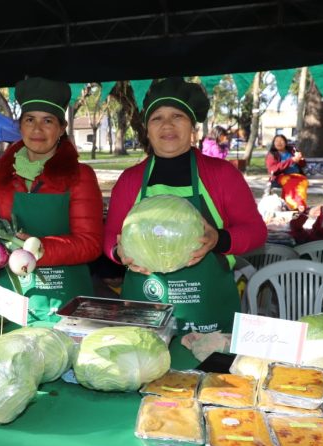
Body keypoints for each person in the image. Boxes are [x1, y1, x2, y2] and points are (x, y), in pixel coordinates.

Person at [103, 77, 267, 334]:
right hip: (146, 309)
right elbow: (110, 235)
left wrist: (219, 239)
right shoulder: (130, 180)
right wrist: (117, 250)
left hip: (207, 316)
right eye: (157, 118)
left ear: (193, 126)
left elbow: (256, 232)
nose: (167, 124)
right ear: (147, 128)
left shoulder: (221, 174)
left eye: (177, 116)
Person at [0, 77, 103, 324]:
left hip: (65, 302)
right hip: (12, 300)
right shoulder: (4, 176)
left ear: (61, 128)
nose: (37, 129)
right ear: (20, 126)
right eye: (30, 120)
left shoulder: (80, 176)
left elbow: (90, 243)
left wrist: (41, 249)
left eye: (48, 121)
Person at [265, 134, 308, 211]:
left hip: (298, 175)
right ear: (273, 143)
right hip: (281, 176)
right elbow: (273, 169)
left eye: (281, 140)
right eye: (276, 141)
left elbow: (303, 164)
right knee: (290, 182)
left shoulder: (292, 151)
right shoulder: (272, 154)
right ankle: (298, 205)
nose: (279, 143)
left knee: (303, 182)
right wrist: (292, 160)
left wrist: (300, 158)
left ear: (285, 142)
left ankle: (291, 205)